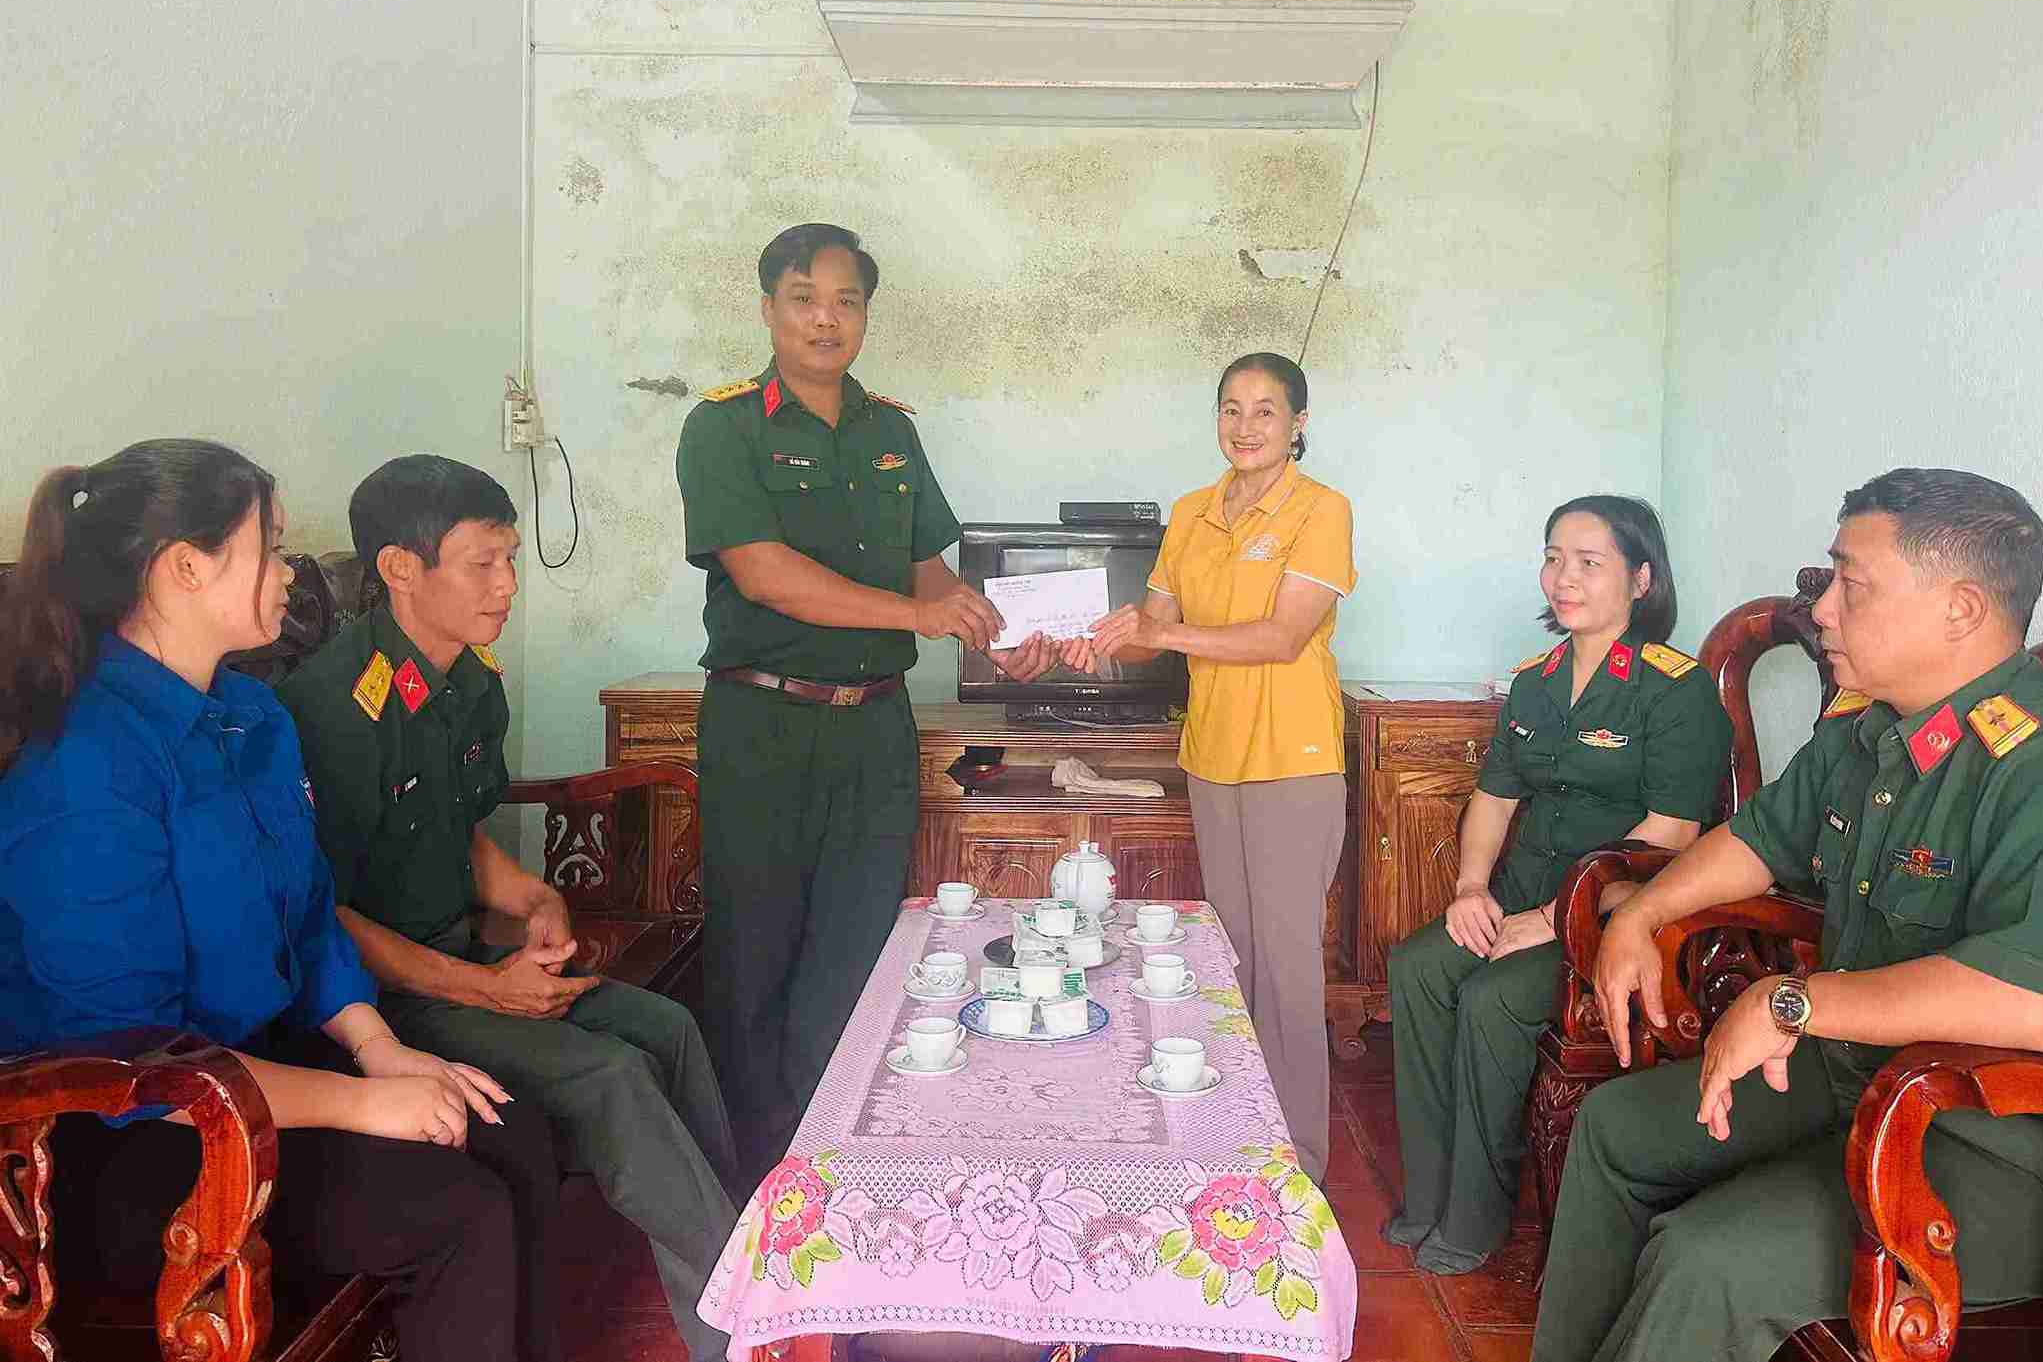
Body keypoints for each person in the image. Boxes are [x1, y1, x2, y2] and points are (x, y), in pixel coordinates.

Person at [1532, 468, 2043, 1362]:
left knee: (1708, 1258)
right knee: (1614, 1128)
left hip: (2020, 1146)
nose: (1819, 608)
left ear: (1960, 608)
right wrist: (1641, 915)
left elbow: (2032, 1006)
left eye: (1849, 584)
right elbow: (1757, 838)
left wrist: (1792, 1001)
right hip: (1850, 1072)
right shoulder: (1869, 729)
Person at [0, 440, 562, 1362]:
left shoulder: (250, 717)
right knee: (453, 1208)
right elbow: (131, 1059)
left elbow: (309, 914)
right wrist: (358, 1103)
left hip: (258, 1070)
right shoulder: (88, 761)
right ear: (186, 568)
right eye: (267, 546)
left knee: (510, 1128)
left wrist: (381, 1052)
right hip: (124, 1134)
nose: (291, 569)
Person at [277, 455, 739, 1362]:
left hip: (467, 962)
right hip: (382, 999)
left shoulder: (467, 679)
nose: (508, 584)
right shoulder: (334, 703)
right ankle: (741, 1328)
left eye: (512, 558)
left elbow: (454, 831)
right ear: (400, 570)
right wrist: (488, 990)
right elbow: (317, 912)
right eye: (482, 562)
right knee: (610, 1075)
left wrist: (531, 897)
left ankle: (742, 1259)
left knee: (670, 1028)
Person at [675, 222, 1057, 1185]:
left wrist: (992, 640)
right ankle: (749, 1192)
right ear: (768, 308)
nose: (825, 317)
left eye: (846, 301)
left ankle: (830, 1171)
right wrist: (919, 613)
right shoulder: (722, 427)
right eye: (805, 297)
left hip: (874, 728)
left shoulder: (893, 430)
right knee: (753, 956)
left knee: (854, 953)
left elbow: (931, 570)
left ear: (865, 317)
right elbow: (764, 575)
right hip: (762, 723)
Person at [1383, 496, 1732, 1273]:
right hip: (1517, 893)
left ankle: (1474, 1216)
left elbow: (1670, 836)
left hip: (1611, 914)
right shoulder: (1535, 683)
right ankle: (1430, 1193)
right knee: (1417, 966)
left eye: (1588, 561)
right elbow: (1494, 796)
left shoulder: (1674, 689)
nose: (1562, 578)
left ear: (1641, 578)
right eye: (1552, 557)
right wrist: (1471, 887)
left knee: (1492, 994)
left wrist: (1549, 919)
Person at [1060, 351, 1355, 1182]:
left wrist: (1160, 635)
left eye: (1266, 410)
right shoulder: (1190, 512)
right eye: (1231, 408)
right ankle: (1237, 1131)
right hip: (1214, 756)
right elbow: (1149, 622)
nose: (1246, 425)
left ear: (1298, 423)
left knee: (1288, 965)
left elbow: (1282, 635)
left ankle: (1295, 1164)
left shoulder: (1320, 509)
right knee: (1231, 956)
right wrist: (1085, 642)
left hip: (1291, 758)